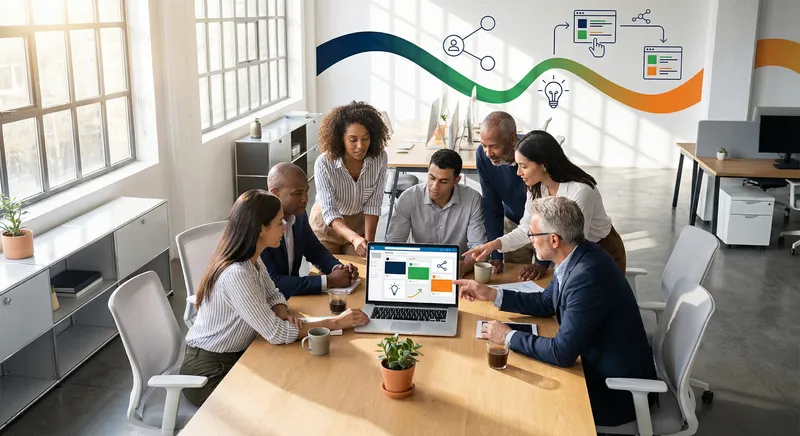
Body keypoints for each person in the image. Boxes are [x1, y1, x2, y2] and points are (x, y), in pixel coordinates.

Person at [456, 196, 655, 427]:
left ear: (553, 240)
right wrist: (491, 294)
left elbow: (561, 353)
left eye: (532, 235)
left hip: (611, 391)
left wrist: (507, 336)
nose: (530, 241)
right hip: (595, 363)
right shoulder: (578, 254)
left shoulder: (586, 277)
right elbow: (546, 302)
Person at [180, 190, 369, 406]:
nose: (285, 226)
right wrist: (336, 322)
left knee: (298, 379)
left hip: (241, 354)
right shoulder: (237, 273)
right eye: (280, 222)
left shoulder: (253, 261)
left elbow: (274, 294)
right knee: (279, 401)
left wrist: (282, 312)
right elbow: (276, 333)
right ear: (262, 228)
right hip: (209, 371)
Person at [465, 130, 626, 280]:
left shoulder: (580, 192)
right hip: (567, 254)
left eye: (524, 166)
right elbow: (527, 230)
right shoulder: (537, 186)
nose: (518, 173)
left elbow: (573, 247)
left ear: (544, 165)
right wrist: (493, 245)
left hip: (600, 252)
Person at [261, 163, 359, 298]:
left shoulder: (299, 216)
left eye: (306, 191)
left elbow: (315, 251)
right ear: (275, 193)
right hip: (267, 306)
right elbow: (274, 283)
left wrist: (338, 269)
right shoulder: (260, 227)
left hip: (292, 300)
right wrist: (328, 281)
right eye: (297, 194)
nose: (305, 199)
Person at [385, 149, 486, 276]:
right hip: (418, 269)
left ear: (456, 180)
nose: (434, 186)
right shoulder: (408, 198)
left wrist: (465, 266)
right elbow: (394, 245)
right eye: (431, 178)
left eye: (443, 181)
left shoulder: (472, 199)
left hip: (458, 270)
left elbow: (477, 247)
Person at [311, 101, 389, 256]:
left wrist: (368, 243)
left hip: (357, 225)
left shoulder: (379, 158)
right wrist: (354, 238)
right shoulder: (324, 163)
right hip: (326, 227)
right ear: (341, 139)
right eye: (353, 140)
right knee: (330, 276)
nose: (360, 146)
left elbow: (373, 204)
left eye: (365, 138)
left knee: (359, 274)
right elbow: (330, 211)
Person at [475, 111, 532, 272]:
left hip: (544, 226)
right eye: (484, 146)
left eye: (494, 146)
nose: (488, 153)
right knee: (517, 276)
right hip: (514, 224)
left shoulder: (534, 153)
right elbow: (492, 206)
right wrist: (496, 255)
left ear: (513, 140)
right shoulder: (482, 155)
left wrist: (542, 263)